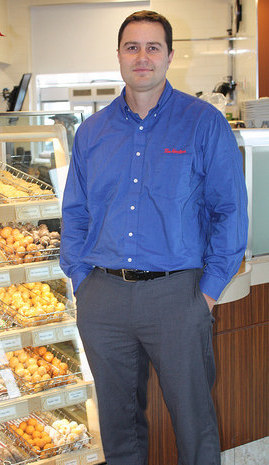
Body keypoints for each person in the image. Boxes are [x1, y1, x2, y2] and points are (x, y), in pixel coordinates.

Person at [60, 10, 248, 465]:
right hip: (102, 297)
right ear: (119, 56)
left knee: (194, 421)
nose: (141, 57)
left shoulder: (203, 123)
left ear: (168, 56)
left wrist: (206, 292)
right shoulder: (92, 132)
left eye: (152, 47)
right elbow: (76, 213)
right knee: (119, 428)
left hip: (178, 296)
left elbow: (230, 211)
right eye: (132, 47)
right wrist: (83, 280)